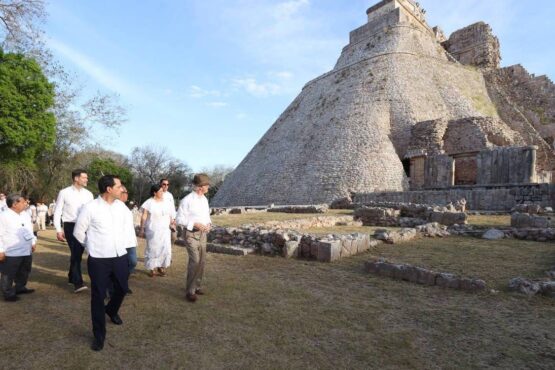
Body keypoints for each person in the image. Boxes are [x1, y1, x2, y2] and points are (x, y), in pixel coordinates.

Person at [73, 175, 136, 351]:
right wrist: (91, 247)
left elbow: (127, 230)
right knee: (98, 296)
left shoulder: (122, 208)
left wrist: (127, 248)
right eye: (119, 186)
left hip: (120, 256)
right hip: (99, 259)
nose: (122, 189)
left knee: (122, 288)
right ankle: (99, 335)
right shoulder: (90, 208)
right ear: (109, 189)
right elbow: (79, 232)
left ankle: (112, 310)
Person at [53, 169, 94, 293]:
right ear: (76, 178)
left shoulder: (89, 194)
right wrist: (58, 230)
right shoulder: (64, 192)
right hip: (70, 225)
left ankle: (71, 276)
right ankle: (77, 282)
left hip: (86, 226)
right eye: (84, 177)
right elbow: (58, 211)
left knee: (79, 253)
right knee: (76, 253)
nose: (87, 180)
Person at [176, 173, 212, 303]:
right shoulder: (187, 200)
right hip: (191, 234)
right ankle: (190, 291)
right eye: (207, 185)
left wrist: (208, 224)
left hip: (203, 235)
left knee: (202, 261)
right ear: (201, 187)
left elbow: (206, 215)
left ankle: (196, 286)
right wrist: (194, 224)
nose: (209, 187)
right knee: (195, 261)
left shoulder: (204, 199)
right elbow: (179, 219)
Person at [0, 194, 36, 302]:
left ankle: (20, 287)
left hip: (26, 249)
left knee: (24, 270)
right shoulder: (3, 216)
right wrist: (0, 250)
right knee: (8, 273)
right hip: (11, 251)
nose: (26, 203)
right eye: (23, 202)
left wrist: (33, 241)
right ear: (15, 204)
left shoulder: (25, 214)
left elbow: (29, 229)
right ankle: (8, 293)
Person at [139, 184, 176, 277]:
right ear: (154, 193)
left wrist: (172, 223)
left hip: (165, 230)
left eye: (162, 191)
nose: (162, 192)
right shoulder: (148, 202)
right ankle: (152, 268)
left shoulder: (167, 202)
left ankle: (162, 267)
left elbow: (171, 215)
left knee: (165, 248)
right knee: (153, 248)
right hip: (153, 230)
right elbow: (144, 216)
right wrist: (142, 228)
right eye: (160, 191)